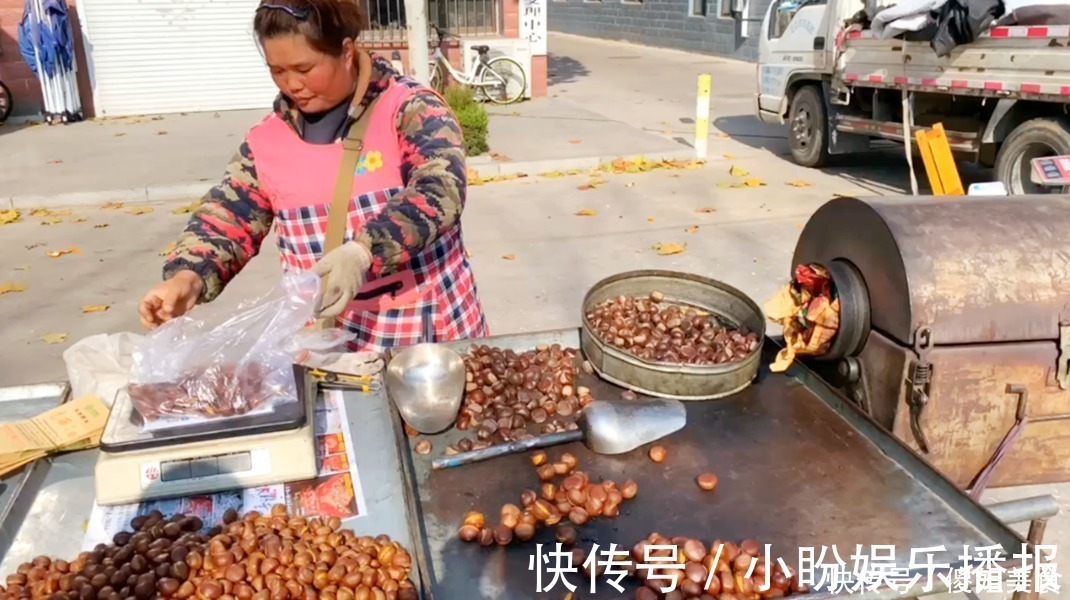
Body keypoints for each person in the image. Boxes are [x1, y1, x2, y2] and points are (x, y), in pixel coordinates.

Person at [138, 0, 488, 351]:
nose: (292, 84)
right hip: (326, 344)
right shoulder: (267, 140)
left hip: (427, 340)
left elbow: (440, 189)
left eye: (304, 68)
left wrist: (365, 251)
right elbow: (231, 215)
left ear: (346, 51)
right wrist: (188, 276)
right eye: (277, 70)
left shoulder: (410, 109)